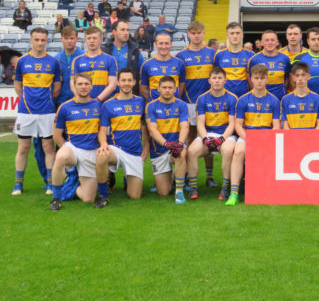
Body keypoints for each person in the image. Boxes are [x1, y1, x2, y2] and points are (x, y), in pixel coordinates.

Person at [12, 27, 62, 196]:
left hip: (47, 111)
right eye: (37, 40)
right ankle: (18, 184)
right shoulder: (22, 61)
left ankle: (50, 183)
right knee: (23, 148)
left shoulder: (53, 62)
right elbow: (18, 86)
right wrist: (29, 100)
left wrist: (44, 101)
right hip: (25, 112)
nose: (40, 43)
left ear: (47, 41)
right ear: (31, 40)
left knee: (48, 147)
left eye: (43, 40)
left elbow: (56, 88)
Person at [95, 69, 149, 207]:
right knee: (102, 156)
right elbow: (102, 130)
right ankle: (103, 195)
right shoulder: (108, 104)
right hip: (116, 149)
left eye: (129, 80)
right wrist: (103, 144)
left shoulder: (140, 102)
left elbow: (143, 126)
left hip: (134, 152)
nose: (126, 83)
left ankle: (127, 178)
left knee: (134, 196)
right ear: (118, 83)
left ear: (134, 82)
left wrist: (147, 145)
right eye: (123, 80)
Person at [49, 74, 102, 210]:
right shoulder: (65, 107)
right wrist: (67, 151)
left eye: (86, 84)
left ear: (91, 86)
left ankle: (70, 185)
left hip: (92, 151)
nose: (83, 87)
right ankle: (56, 198)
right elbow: (57, 134)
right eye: (80, 84)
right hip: (73, 147)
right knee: (61, 157)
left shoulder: (99, 105)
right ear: (74, 86)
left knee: (88, 199)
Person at [232, 64, 281, 205]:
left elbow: (276, 124)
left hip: (267, 137)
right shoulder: (243, 99)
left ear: (267, 79)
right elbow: (238, 124)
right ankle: (234, 193)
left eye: (262, 78)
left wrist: (267, 138)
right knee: (238, 152)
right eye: (256, 78)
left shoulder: (274, 100)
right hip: (248, 136)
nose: (259, 81)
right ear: (251, 79)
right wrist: (249, 138)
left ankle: (271, 189)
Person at [176, 21, 218, 187]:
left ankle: (209, 176)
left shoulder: (212, 54)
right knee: (189, 136)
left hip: (209, 103)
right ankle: (185, 174)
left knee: (208, 136)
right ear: (188, 34)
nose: (196, 35)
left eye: (199, 32)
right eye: (193, 33)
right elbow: (180, 81)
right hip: (189, 102)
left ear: (203, 33)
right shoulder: (181, 56)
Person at [187, 67, 239, 200]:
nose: (217, 81)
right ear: (209, 80)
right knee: (191, 151)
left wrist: (222, 139)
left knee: (228, 151)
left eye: (220, 78)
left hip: (226, 135)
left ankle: (225, 187)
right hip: (208, 133)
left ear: (225, 80)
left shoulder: (232, 98)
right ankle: (193, 188)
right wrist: (205, 138)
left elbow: (232, 124)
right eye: (214, 78)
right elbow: (200, 123)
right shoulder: (202, 98)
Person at [145, 76, 189, 204]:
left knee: (180, 153)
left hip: (175, 147)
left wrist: (179, 144)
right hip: (159, 150)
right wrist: (166, 144)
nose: (167, 90)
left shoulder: (182, 105)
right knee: (163, 192)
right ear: (158, 89)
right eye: (164, 87)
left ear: (175, 89)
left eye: (170, 87)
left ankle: (179, 192)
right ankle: (173, 177)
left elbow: (185, 126)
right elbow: (152, 130)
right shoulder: (151, 106)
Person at [71, 27, 117, 102]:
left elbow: (112, 85)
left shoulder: (110, 60)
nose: (91, 41)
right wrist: (83, 99)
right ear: (85, 40)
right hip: (83, 103)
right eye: (89, 38)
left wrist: (97, 100)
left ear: (100, 40)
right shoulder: (77, 60)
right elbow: (73, 84)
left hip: (103, 103)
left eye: (94, 38)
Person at [140, 33, 186, 101]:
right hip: (155, 108)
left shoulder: (179, 63)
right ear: (155, 44)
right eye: (161, 43)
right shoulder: (147, 64)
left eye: (166, 43)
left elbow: (182, 86)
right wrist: (156, 103)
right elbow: (143, 89)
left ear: (171, 44)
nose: (164, 47)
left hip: (174, 107)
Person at [214, 22, 254, 98]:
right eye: (232, 33)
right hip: (224, 98)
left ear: (242, 35)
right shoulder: (219, 55)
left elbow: (253, 78)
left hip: (245, 98)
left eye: (237, 33)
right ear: (227, 36)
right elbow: (216, 78)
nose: (235, 36)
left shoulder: (250, 55)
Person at [102, 21, 145, 92]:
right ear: (114, 32)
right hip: (108, 96)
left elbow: (142, 75)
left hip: (129, 96)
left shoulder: (135, 51)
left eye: (127, 30)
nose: (126, 33)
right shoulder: (104, 50)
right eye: (122, 30)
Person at [248, 30, 291, 100]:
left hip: (280, 99)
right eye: (267, 40)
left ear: (277, 42)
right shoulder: (254, 59)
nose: (270, 42)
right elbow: (250, 79)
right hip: (261, 100)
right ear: (262, 43)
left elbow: (287, 79)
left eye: (272, 40)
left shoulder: (285, 58)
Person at [281, 62, 319, 129]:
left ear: (309, 76)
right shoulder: (285, 99)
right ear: (293, 78)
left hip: (312, 138)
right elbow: (285, 127)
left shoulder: (318, 99)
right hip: (293, 138)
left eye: (303, 75)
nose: (300, 78)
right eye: (297, 75)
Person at [54, 26, 84, 107]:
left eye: (72, 38)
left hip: (80, 100)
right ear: (61, 39)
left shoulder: (84, 57)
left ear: (77, 39)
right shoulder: (56, 59)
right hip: (60, 101)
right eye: (66, 38)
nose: (69, 41)